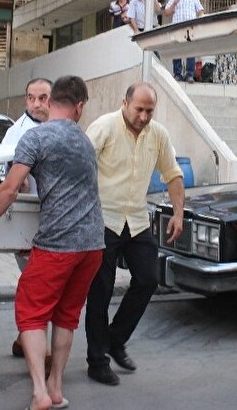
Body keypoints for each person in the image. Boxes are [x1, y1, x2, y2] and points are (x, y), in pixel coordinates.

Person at [0, 75, 104, 410]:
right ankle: (55, 389)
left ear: (51, 102)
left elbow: (8, 189)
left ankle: (39, 393)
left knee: (31, 313)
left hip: (58, 244)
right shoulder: (84, 141)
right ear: (79, 106)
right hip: (93, 244)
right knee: (67, 316)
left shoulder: (36, 139)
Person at [84, 82, 185, 386]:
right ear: (124, 103)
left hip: (137, 221)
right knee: (100, 291)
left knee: (149, 279)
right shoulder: (104, 127)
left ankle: (115, 339)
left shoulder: (159, 135)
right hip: (102, 218)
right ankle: (97, 361)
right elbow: (81, 166)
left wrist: (178, 213)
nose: (143, 116)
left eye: (149, 111)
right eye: (139, 109)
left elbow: (173, 174)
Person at [0, 78, 52, 360]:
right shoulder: (17, 133)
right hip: (26, 221)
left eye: (43, 98)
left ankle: (25, 339)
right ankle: (38, 348)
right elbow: (2, 174)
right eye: (32, 98)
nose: (37, 104)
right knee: (37, 284)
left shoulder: (55, 128)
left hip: (52, 220)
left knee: (38, 284)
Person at [163, 0, 204, 82]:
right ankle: (177, 74)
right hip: (177, 29)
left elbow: (200, 11)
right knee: (177, 50)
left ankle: (189, 74)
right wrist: (174, 4)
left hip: (190, 28)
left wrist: (200, 22)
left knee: (190, 51)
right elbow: (167, 13)